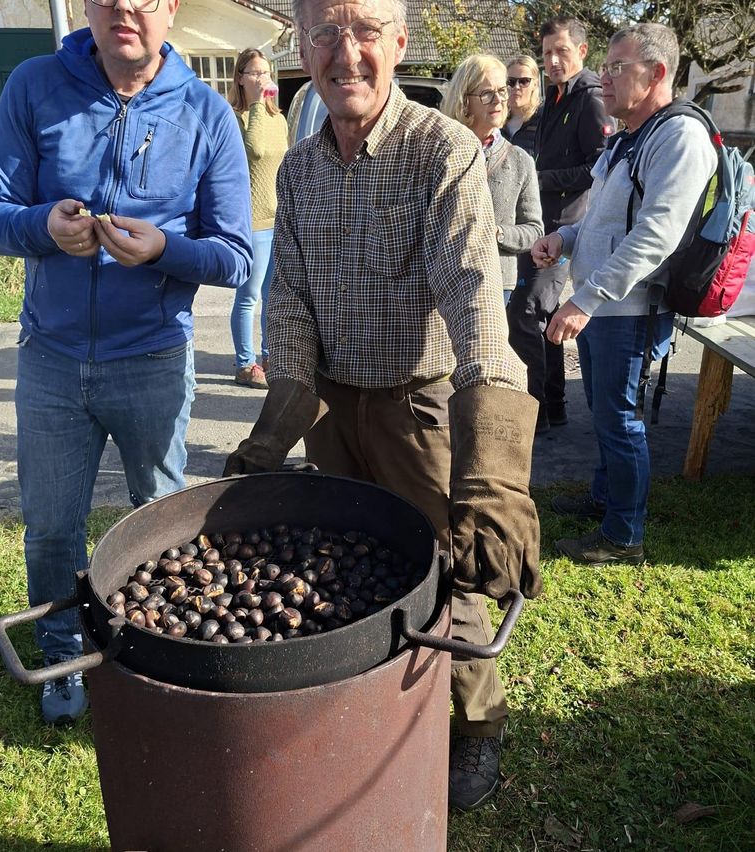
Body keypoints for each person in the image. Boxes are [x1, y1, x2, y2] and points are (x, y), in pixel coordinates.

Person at [225, 0, 543, 812]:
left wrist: (496, 471)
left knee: (454, 574)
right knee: (340, 564)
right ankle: (366, 701)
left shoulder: (441, 152)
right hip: (331, 410)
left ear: (399, 43)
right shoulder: (298, 171)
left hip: (419, 405)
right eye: (326, 32)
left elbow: (476, 296)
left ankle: (475, 726)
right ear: (302, 44)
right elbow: (288, 302)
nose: (346, 53)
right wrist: (268, 441)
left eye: (365, 29)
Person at [0, 0, 252, 724]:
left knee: (159, 516)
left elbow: (235, 254)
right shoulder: (35, 86)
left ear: (171, 9)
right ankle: (63, 652)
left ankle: (157, 641)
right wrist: (41, 226)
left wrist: (165, 250)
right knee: (52, 525)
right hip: (52, 361)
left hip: (154, 358)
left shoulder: (206, 113)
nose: (126, 5)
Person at [533, 23, 716, 565]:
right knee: (606, 412)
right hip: (604, 307)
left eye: (617, 68)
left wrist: (584, 299)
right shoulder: (630, 135)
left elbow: (655, 235)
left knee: (620, 418)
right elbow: (598, 220)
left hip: (628, 309)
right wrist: (562, 239)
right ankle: (604, 498)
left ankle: (623, 536)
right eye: (606, 67)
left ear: (658, 73)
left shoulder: (679, 137)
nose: (604, 79)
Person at [506, 17, 608, 434]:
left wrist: (540, 178)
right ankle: (550, 408)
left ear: (581, 52)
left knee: (528, 313)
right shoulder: (554, 96)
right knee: (534, 316)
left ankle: (543, 410)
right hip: (539, 227)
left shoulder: (591, 98)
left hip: (567, 228)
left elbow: (598, 166)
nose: (552, 60)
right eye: (547, 52)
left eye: (561, 51)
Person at [442, 54, 543, 306]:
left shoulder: (519, 160)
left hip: (495, 282)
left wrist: (497, 233)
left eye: (502, 90)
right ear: (464, 100)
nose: (498, 100)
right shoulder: (439, 151)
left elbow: (534, 230)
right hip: (441, 277)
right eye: (487, 93)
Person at [227, 48, 289, 389]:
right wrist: (253, 104)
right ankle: (244, 363)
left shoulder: (277, 118)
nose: (262, 78)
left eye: (265, 72)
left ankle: (269, 355)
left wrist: (264, 107)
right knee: (248, 295)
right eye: (254, 73)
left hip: (277, 219)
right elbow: (254, 149)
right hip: (250, 221)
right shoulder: (237, 118)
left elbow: (282, 160)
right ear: (240, 77)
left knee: (272, 295)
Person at [502, 54, 542, 155]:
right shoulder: (496, 121)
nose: (516, 87)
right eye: (511, 81)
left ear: (535, 84)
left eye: (524, 81)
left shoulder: (545, 120)